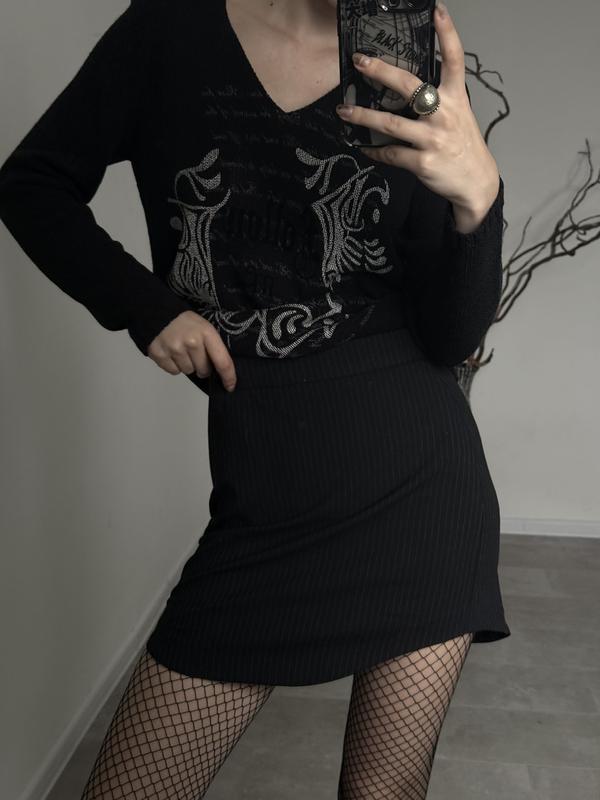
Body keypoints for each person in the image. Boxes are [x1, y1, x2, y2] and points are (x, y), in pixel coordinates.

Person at [0, 0, 511, 797]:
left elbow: (450, 338)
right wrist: (145, 307)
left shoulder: (407, 69)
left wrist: (479, 204)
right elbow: (31, 184)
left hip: (423, 492)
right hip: (264, 492)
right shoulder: (168, 29)